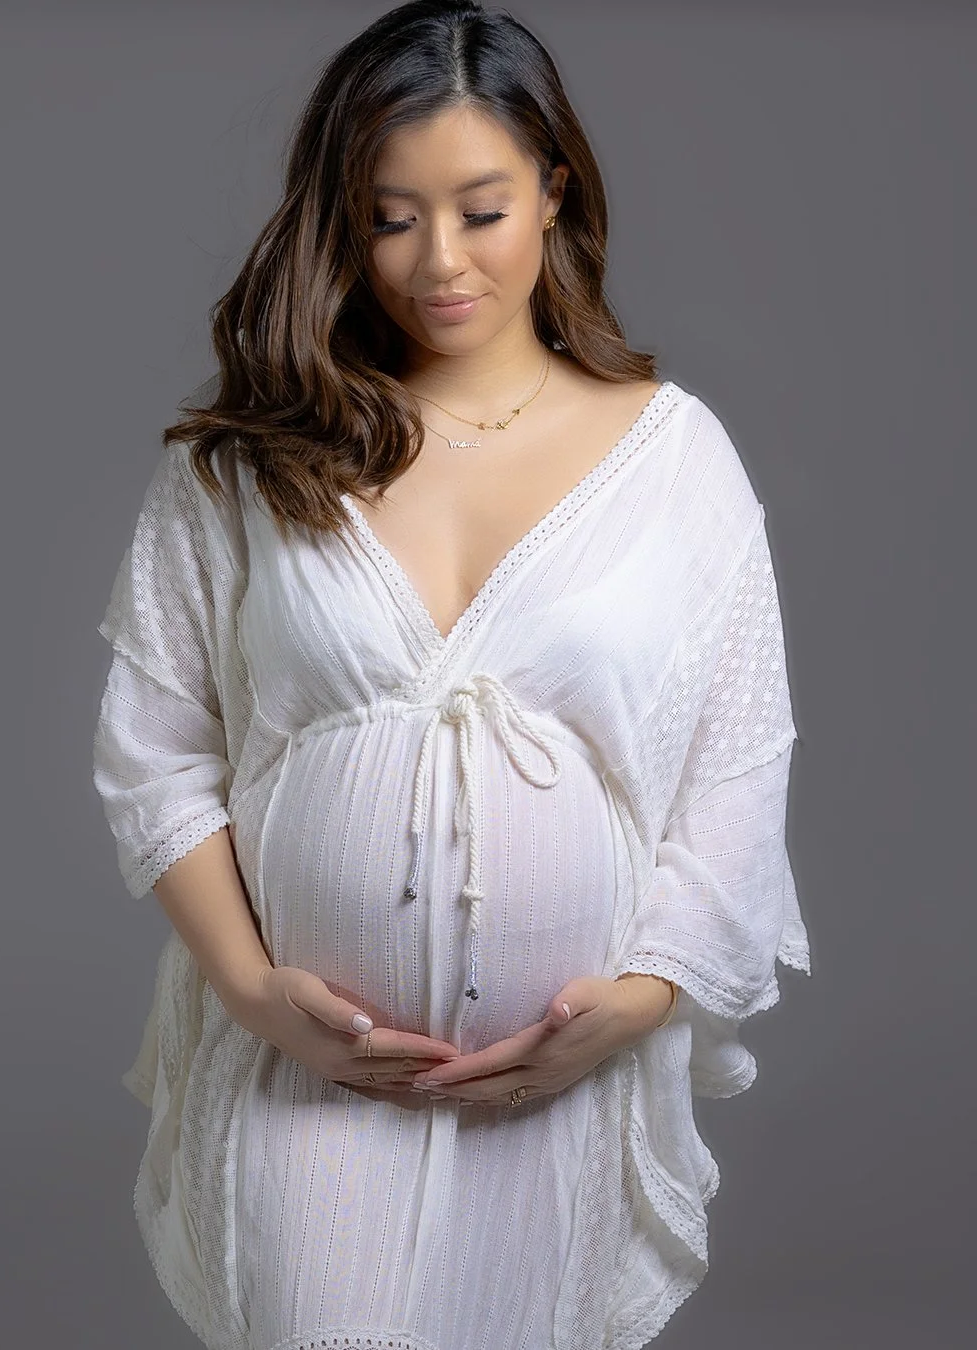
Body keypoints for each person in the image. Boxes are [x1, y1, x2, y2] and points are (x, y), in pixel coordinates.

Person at [91, 3, 812, 1348]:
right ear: (343, 221)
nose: (437, 261)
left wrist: (641, 1001)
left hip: (561, 1089)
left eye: (480, 209)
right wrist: (255, 994)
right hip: (308, 1082)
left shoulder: (674, 459)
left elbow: (739, 755)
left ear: (556, 190)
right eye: (389, 216)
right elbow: (154, 745)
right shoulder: (248, 459)